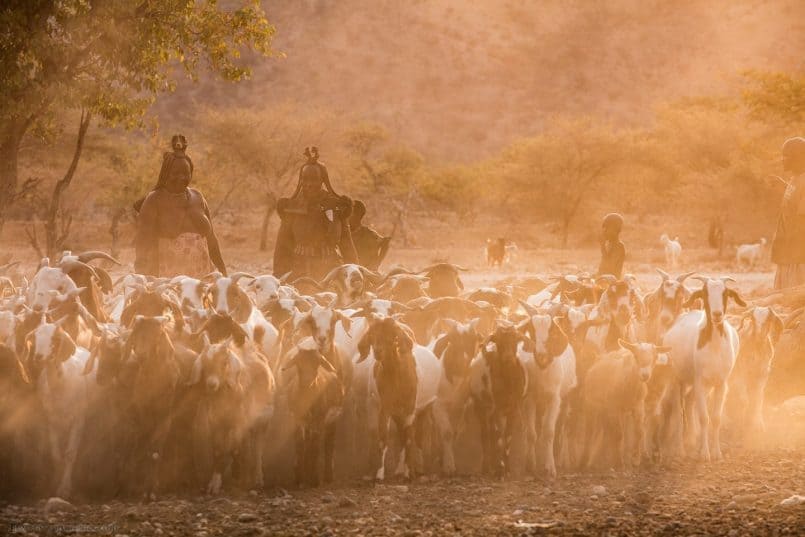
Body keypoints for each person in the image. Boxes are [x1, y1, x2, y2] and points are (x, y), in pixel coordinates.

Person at [134, 135, 227, 277]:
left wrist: (222, 271)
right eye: (175, 173)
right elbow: (143, 244)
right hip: (168, 282)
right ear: (165, 174)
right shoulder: (154, 200)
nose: (181, 178)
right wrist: (143, 277)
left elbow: (212, 240)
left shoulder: (198, 197)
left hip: (203, 279)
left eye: (186, 173)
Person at [273, 147, 357, 279]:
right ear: (301, 181)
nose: (309, 184)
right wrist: (279, 277)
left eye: (314, 180)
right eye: (305, 180)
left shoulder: (337, 207)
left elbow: (347, 245)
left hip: (331, 270)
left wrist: (355, 273)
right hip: (299, 271)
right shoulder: (291, 208)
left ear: (322, 181)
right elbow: (282, 247)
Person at [771, 137, 805, 289]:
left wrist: (791, 249)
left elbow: (801, 220)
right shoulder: (795, 178)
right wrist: (783, 186)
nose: (782, 160)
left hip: (797, 257)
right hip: (787, 253)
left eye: (787, 156)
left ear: (798, 158)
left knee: (792, 299)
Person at [349, 199, 391, 271]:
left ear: (358, 216)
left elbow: (385, 243)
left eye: (350, 214)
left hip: (366, 273)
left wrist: (377, 262)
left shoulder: (368, 234)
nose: (347, 217)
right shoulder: (344, 233)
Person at [598, 212, 625, 279]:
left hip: (612, 285)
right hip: (604, 282)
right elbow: (602, 270)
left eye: (607, 228)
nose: (604, 231)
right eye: (604, 228)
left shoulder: (619, 246)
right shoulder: (609, 245)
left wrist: (602, 246)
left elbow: (609, 269)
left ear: (616, 230)